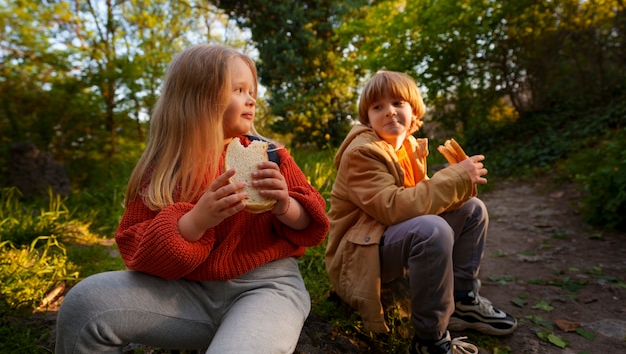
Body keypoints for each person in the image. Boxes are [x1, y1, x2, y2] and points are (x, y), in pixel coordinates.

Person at [55, 44, 330, 354]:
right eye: (238, 90)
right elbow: (135, 249)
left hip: (267, 288)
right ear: (197, 99)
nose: (251, 99)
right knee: (84, 304)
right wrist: (195, 221)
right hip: (185, 294)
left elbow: (316, 223)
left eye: (251, 90)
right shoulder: (164, 170)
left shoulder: (270, 155)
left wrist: (285, 205)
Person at [325, 70, 517, 354]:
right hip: (358, 252)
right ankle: (430, 340)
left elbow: (421, 197)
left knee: (472, 208)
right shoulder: (362, 153)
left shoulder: (410, 146)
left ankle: (463, 300)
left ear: (414, 112)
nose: (389, 111)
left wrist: (460, 185)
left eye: (397, 103)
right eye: (378, 107)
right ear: (367, 118)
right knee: (432, 230)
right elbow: (393, 207)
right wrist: (453, 179)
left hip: (386, 238)